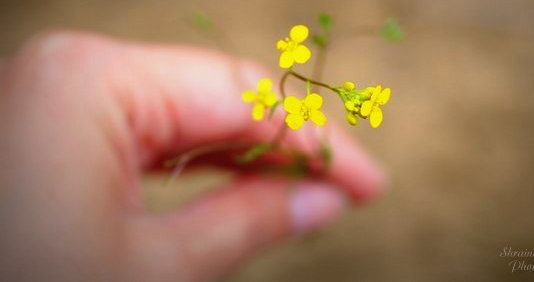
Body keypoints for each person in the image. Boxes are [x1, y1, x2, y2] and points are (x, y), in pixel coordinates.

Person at [0, 31, 385, 282]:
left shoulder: (312, 101)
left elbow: (314, 102)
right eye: (363, 103)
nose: (362, 104)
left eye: (363, 104)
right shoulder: (291, 100)